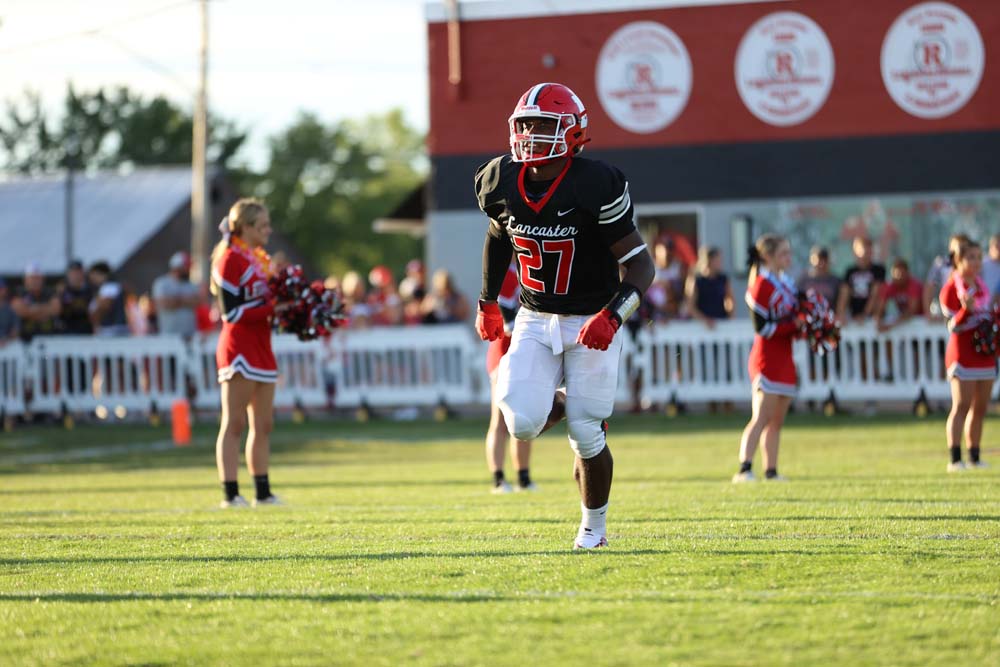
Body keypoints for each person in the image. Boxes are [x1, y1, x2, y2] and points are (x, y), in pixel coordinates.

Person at [474, 82, 655, 549]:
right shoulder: (500, 179)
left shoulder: (595, 183)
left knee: (586, 431)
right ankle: (563, 401)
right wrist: (488, 300)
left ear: (573, 133)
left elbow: (641, 264)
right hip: (534, 317)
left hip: (592, 318)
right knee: (520, 421)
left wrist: (614, 316)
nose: (531, 135)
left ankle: (593, 529)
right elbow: (499, 236)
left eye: (544, 125)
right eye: (526, 124)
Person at [211, 198, 282, 508]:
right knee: (234, 423)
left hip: (262, 347)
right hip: (238, 347)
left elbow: (265, 307)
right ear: (247, 227)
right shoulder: (229, 259)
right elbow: (232, 314)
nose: (268, 230)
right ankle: (230, 494)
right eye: (263, 225)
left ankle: (262, 493)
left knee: (264, 424)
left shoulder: (259, 260)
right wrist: (273, 308)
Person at [734, 233, 801, 483]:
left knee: (777, 421)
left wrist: (808, 325)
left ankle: (771, 470)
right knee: (761, 416)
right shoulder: (761, 284)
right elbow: (762, 328)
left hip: (784, 356)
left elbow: (793, 319)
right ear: (769, 257)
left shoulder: (787, 284)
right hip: (766, 358)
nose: (788, 258)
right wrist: (793, 325)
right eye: (783, 253)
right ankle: (744, 468)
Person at [939, 238, 993, 472]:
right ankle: (955, 458)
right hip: (962, 353)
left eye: (979, 257)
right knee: (961, 405)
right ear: (958, 260)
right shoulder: (951, 288)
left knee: (980, 407)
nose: (976, 262)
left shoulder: (982, 285)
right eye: (970, 257)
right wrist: (964, 310)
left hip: (984, 353)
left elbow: (986, 314)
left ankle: (975, 456)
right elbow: (952, 325)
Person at [485, 263, 538, 493]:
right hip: (505, 349)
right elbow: (507, 319)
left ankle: (523, 477)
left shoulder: (534, 265)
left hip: (527, 350)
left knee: (524, 416)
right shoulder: (507, 272)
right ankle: (498, 478)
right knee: (499, 419)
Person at [837, 236, 886, 324]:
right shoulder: (850, 271)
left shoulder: (879, 270)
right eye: (863, 250)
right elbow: (844, 294)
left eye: (869, 251)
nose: (866, 254)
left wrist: (864, 315)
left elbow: (875, 294)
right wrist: (841, 314)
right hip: (854, 316)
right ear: (855, 252)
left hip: (872, 317)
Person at [152, 251, 201, 337]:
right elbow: (163, 303)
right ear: (177, 268)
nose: (189, 270)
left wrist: (175, 300)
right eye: (186, 267)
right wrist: (185, 301)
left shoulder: (191, 284)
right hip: (169, 335)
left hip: (190, 335)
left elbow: (198, 301)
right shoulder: (162, 283)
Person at [685, 246, 733, 328]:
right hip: (701, 327)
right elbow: (690, 307)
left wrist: (730, 317)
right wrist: (705, 320)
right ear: (709, 261)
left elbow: (730, 300)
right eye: (717, 260)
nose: (720, 263)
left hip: (720, 323)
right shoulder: (696, 280)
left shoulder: (723, 279)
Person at [924, 234, 969, 320]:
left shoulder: (972, 265)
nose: (959, 252)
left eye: (963, 249)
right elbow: (930, 286)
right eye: (957, 248)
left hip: (965, 312)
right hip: (946, 312)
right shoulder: (941, 263)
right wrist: (928, 312)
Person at [11, 263, 60, 342]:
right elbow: (20, 311)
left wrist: (32, 309)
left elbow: (56, 309)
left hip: (49, 338)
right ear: (25, 279)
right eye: (32, 278)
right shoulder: (18, 292)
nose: (35, 281)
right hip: (25, 340)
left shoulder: (49, 292)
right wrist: (45, 310)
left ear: (42, 279)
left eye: (37, 278)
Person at [875, 258, 924, 332]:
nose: (899, 278)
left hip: (920, 322)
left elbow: (912, 311)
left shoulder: (914, 285)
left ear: (907, 273)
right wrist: (878, 321)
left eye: (902, 274)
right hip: (903, 323)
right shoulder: (891, 286)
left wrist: (892, 325)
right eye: (896, 274)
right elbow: (880, 307)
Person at [87, 262, 130, 337]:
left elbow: (104, 306)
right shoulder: (103, 288)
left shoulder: (110, 287)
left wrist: (95, 322)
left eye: (93, 275)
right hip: (110, 329)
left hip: (111, 330)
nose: (91, 278)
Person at [58, 260, 93, 335]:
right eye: (73, 272)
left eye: (78, 272)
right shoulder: (62, 291)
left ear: (83, 273)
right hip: (67, 331)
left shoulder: (90, 290)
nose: (76, 275)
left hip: (86, 331)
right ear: (68, 274)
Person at [0, 278, 19, 344]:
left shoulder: (12, 307)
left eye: (1, 288)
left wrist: (6, 339)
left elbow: (15, 330)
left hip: (8, 346)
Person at [981, 234, 1000, 298]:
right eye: (997, 246)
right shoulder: (981, 264)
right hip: (983, 305)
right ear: (990, 247)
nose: (998, 250)